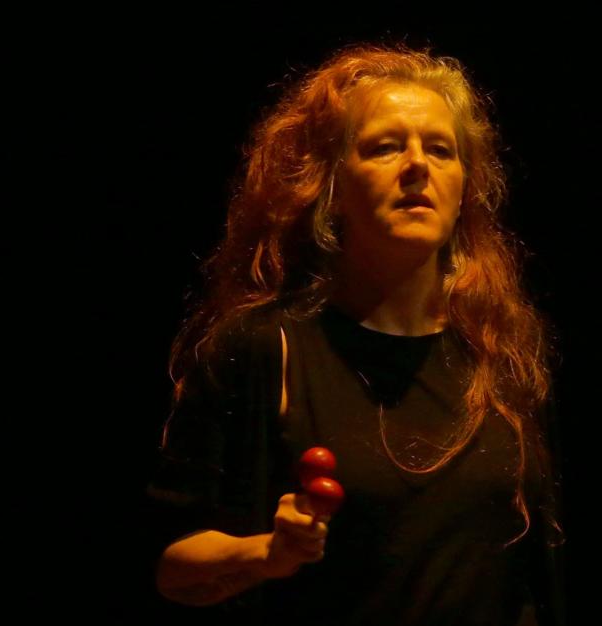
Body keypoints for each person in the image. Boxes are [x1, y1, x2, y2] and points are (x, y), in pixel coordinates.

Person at [146, 43, 565, 625]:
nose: (417, 165)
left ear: (465, 187)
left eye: (441, 150)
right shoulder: (268, 348)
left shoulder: (502, 352)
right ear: (332, 185)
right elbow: (172, 569)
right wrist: (266, 553)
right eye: (385, 147)